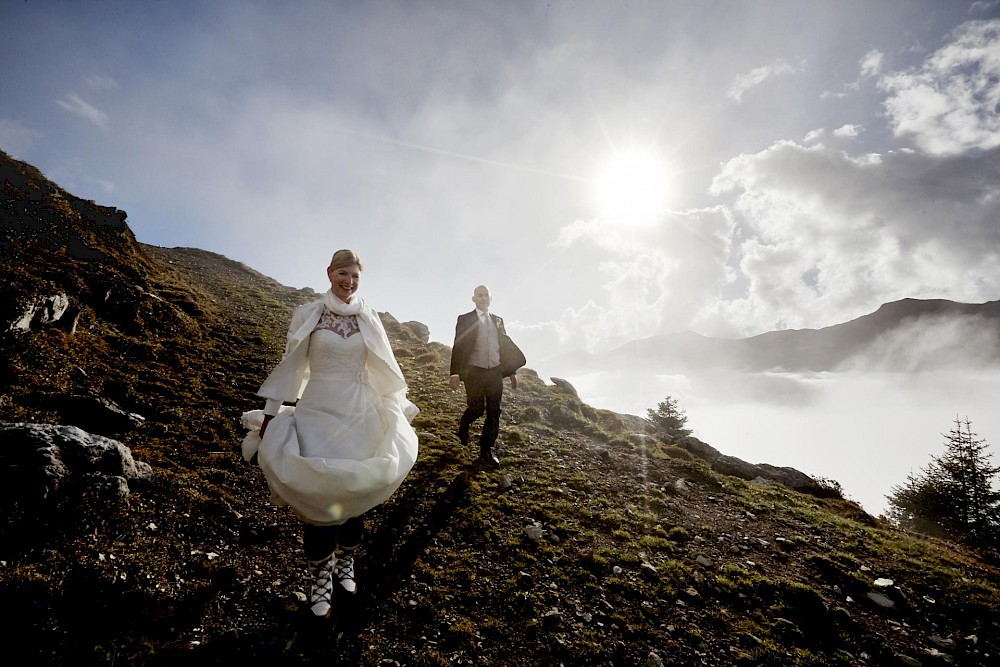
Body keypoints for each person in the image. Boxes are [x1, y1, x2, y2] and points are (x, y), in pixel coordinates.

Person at [240, 249, 419, 619]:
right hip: (317, 408)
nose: (348, 282)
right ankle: (320, 576)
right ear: (329, 273)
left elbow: (384, 364)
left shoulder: (370, 317)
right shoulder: (308, 314)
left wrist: (397, 408)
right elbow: (291, 368)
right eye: (342, 273)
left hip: (359, 410)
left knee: (354, 490)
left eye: (355, 276)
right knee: (319, 498)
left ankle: (345, 562)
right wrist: (271, 415)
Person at [449, 285, 525, 467]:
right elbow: (458, 345)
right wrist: (455, 373)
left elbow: (504, 347)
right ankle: (464, 424)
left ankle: (486, 450)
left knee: (494, 411)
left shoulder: (498, 320)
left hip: (495, 371)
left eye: (486, 295)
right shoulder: (464, 319)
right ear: (473, 299)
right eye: (479, 295)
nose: (483, 298)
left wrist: (511, 372)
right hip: (474, 370)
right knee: (476, 407)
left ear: (491, 299)